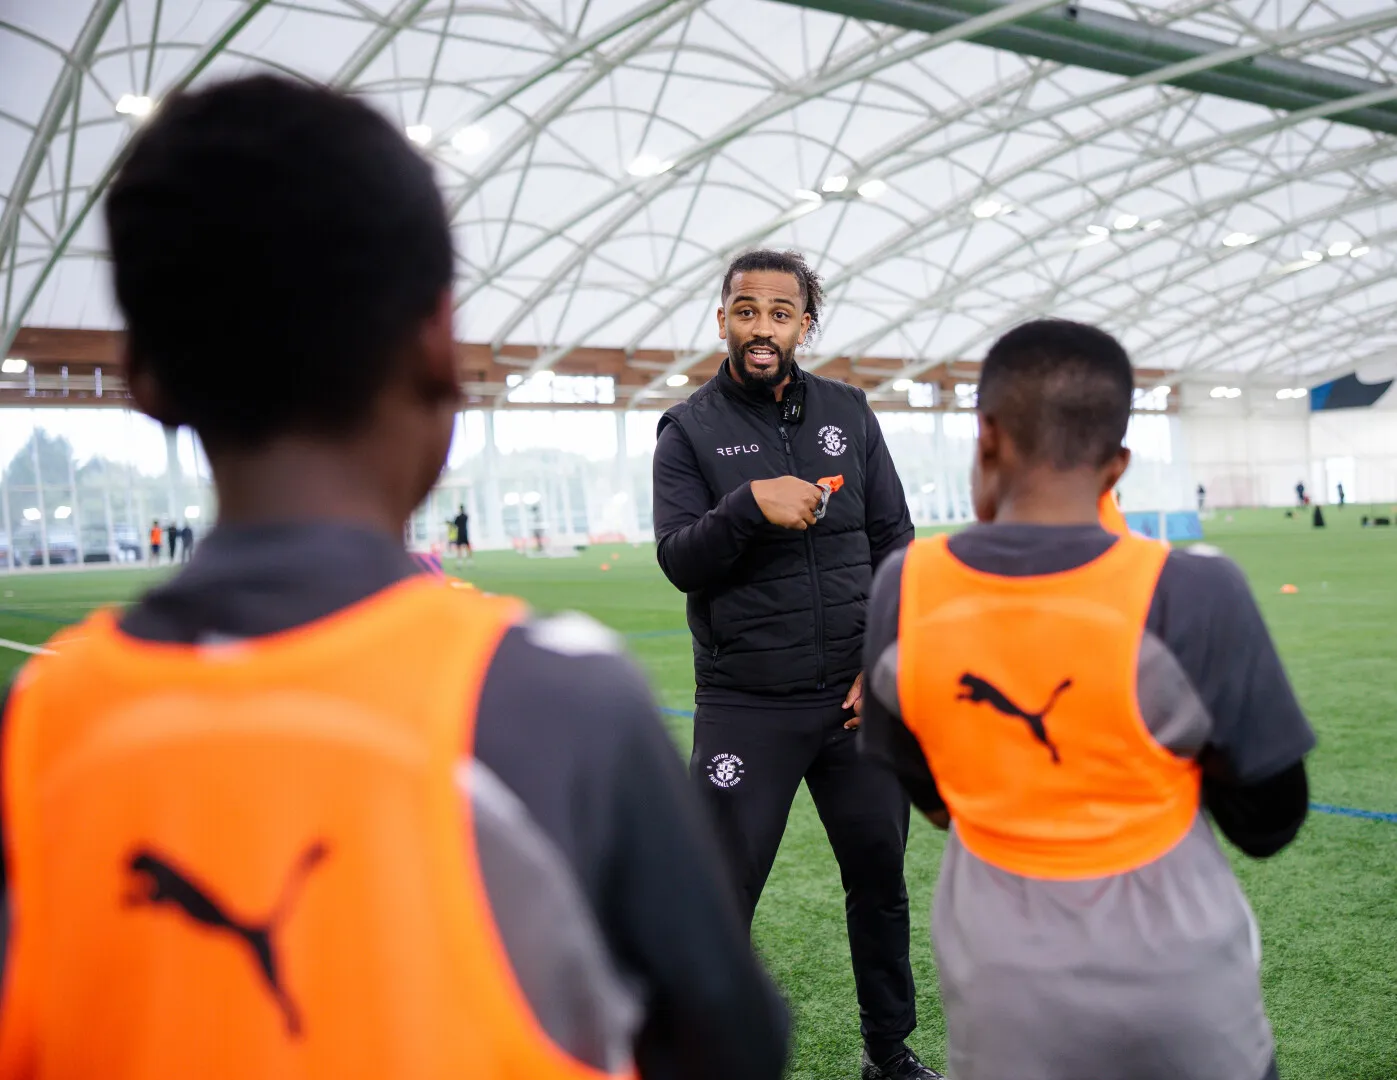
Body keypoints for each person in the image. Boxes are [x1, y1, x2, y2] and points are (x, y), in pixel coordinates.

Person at [0, 76, 787, 1080]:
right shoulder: (556, 702)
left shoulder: (39, 723)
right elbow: (730, 1044)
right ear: (438, 347)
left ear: (143, 379)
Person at [861, 319, 1315, 1080]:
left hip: (1000, 977)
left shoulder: (902, 587)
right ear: (1117, 466)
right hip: (1180, 979)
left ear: (986, 438)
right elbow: (1270, 822)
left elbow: (930, 797)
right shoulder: (1194, 589)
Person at [653, 249, 941, 1080]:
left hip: (854, 702)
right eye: (746, 310)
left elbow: (894, 541)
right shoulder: (688, 430)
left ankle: (888, 1053)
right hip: (748, 702)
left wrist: (880, 658)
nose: (762, 328)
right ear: (722, 320)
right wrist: (747, 505)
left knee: (879, 883)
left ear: (803, 325)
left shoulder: (849, 412)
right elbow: (679, 558)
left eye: (780, 313)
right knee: (719, 897)